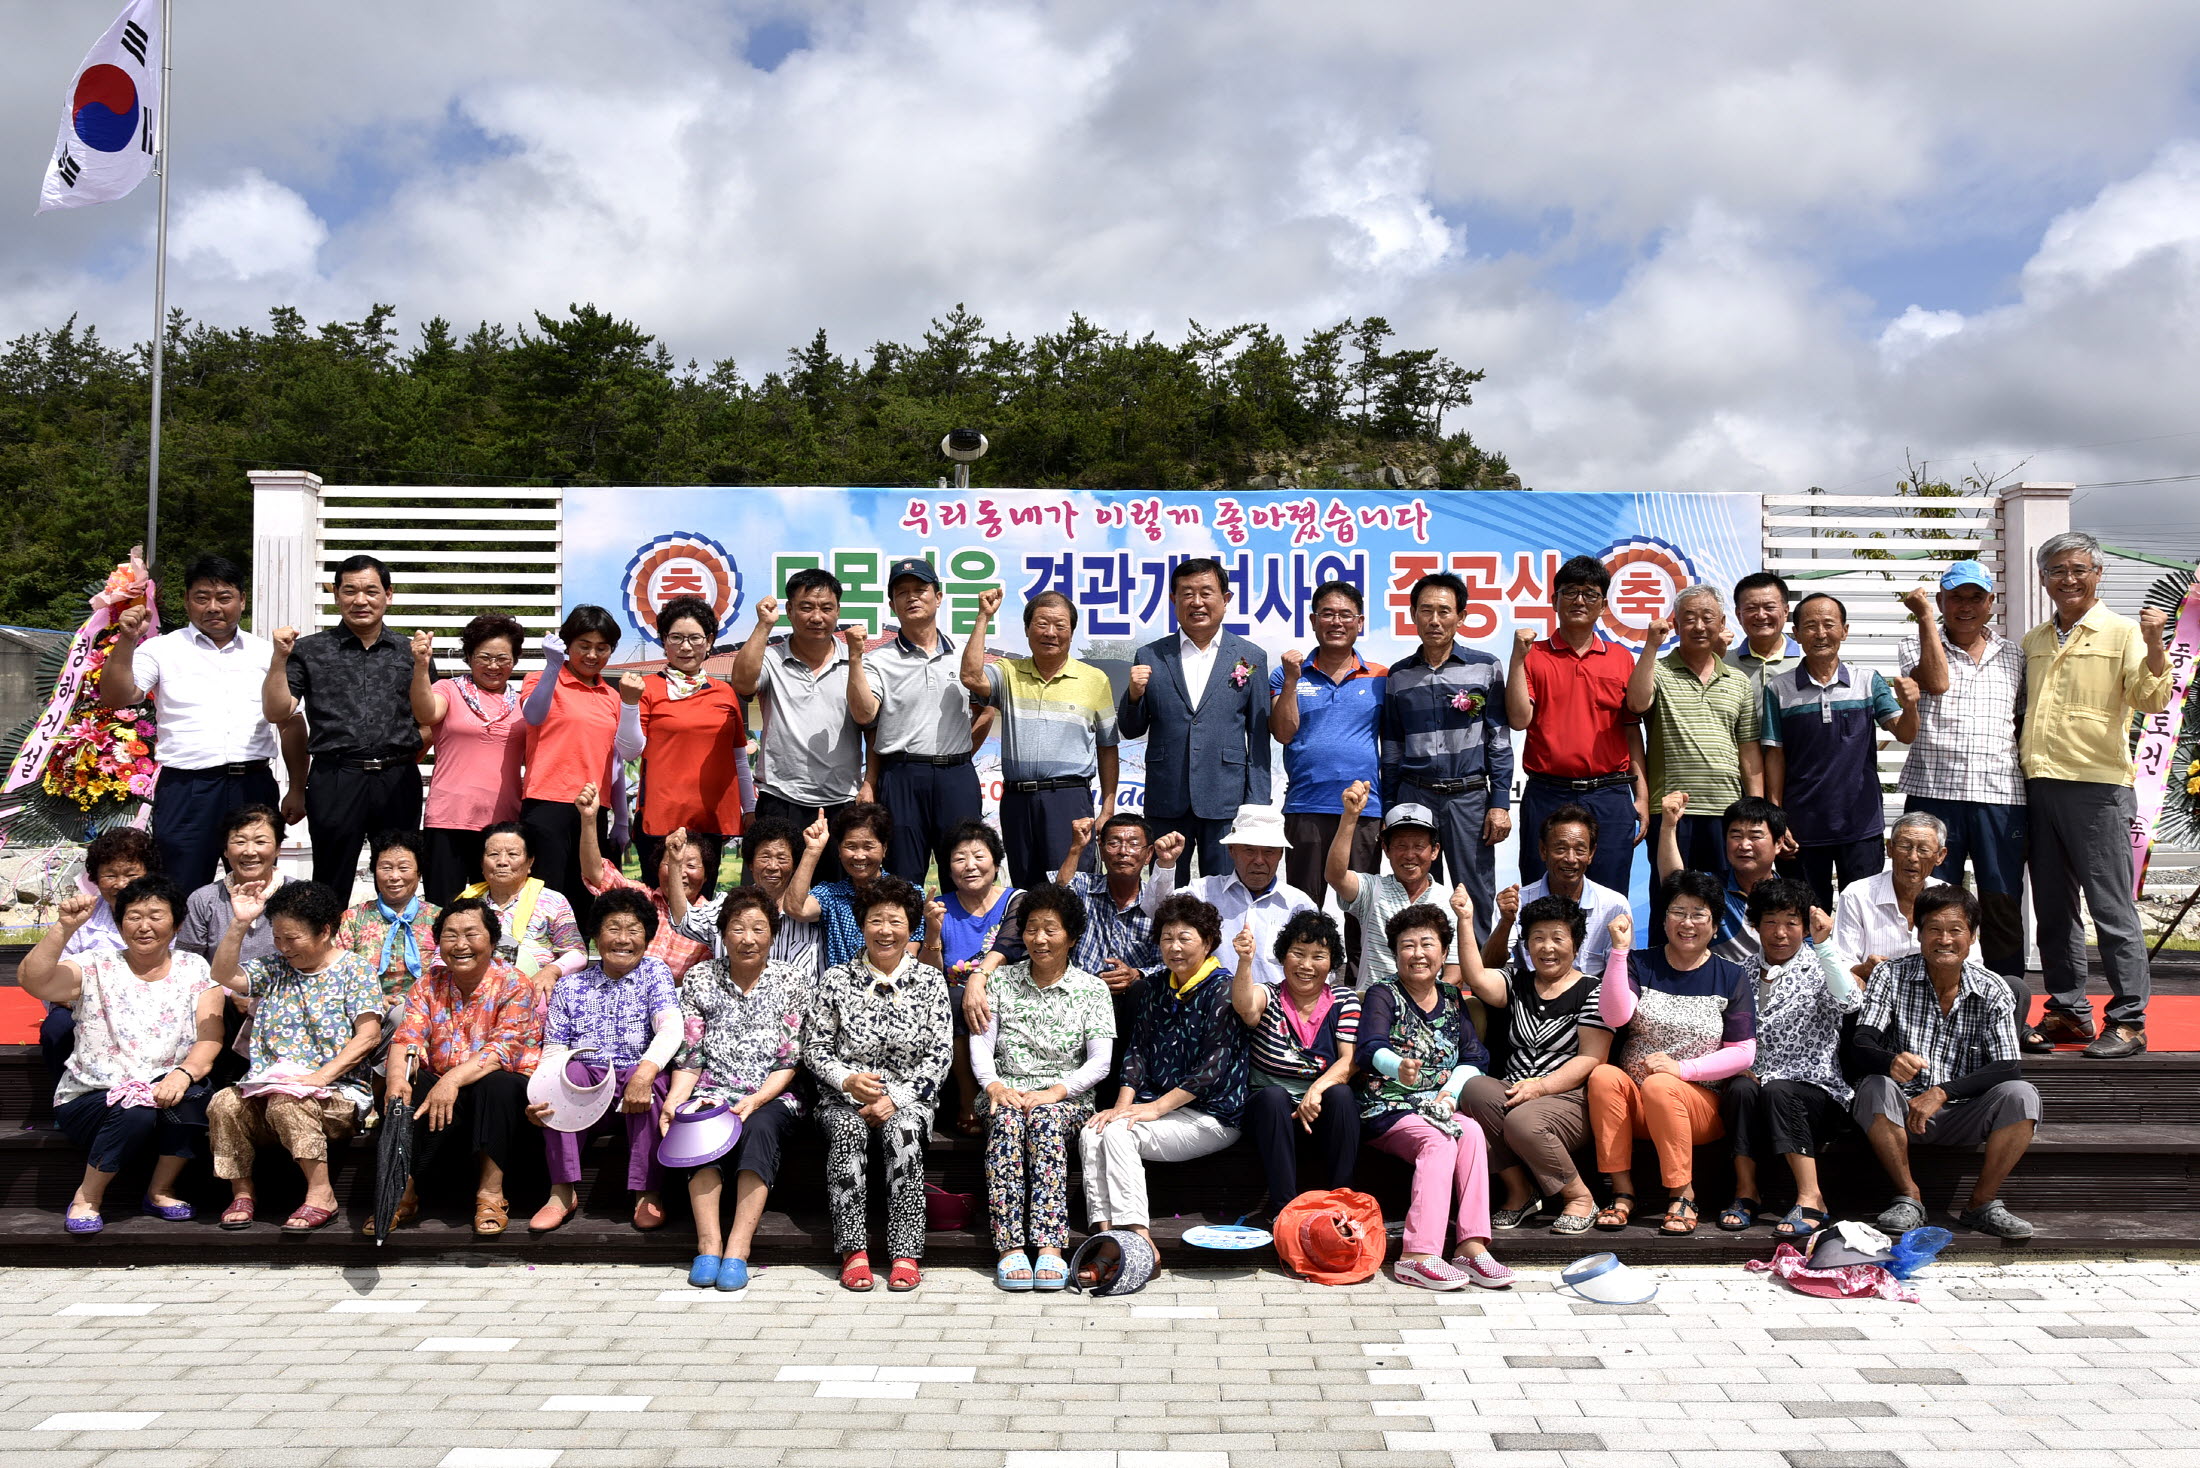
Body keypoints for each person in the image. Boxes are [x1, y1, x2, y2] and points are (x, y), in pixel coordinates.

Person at [2020, 530, 2175, 1059]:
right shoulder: (2035, 640)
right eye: (2057, 571)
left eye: (2078, 569)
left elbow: (2151, 698)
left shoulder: (2123, 632)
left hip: (2098, 786)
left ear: (2098, 574)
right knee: (2053, 910)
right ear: (2043, 580)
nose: (2068, 579)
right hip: (2039, 783)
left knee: (2111, 909)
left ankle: (2129, 1020)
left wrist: (2156, 643)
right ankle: (2067, 1012)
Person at [22, 878, 223, 1233]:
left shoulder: (195, 969)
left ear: (176, 924)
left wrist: (183, 1073)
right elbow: (34, 982)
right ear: (119, 924)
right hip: (91, 1097)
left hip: (165, 1089)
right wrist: (64, 928)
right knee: (135, 1109)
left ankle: (160, 1191)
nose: (144, 926)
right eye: (133, 916)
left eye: (156, 916)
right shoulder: (95, 964)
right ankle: (87, 1197)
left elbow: (209, 1039)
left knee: (197, 1098)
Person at [101, 553, 307, 895]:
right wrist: (126, 640)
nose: (213, 607)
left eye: (224, 598)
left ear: (242, 601)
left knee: (258, 890)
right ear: (186, 601)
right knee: (179, 888)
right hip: (186, 789)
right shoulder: (160, 649)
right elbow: (116, 696)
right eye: (202, 598)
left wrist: (297, 788)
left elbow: (290, 723)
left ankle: (254, 951)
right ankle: (181, 950)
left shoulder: (265, 653)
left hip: (252, 785)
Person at [1851, 884, 2041, 1238]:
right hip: (1900, 1111)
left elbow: (2007, 1065)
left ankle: (1981, 1205)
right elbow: (1861, 1043)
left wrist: (1942, 1092)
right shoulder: (1889, 975)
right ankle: (1909, 1197)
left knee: (2021, 1094)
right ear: (1918, 931)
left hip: (1962, 1111)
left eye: (1956, 930)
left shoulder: (1993, 988)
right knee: (1875, 1085)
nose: (1945, 940)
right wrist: (1890, 1060)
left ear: (1972, 936)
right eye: (1934, 929)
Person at [1081, 894, 1251, 1269]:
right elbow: (1136, 1052)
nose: (1174, 947)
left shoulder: (1221, 988)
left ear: (1207, 943)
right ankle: (1106, 1235)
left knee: (1118, 1133)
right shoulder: (1157, 987)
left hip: (1212, 1115)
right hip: (1158, 1110)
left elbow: (1212, 1068)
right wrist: (1123, 1107)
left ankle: (1138, 1238)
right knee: (1093, 1131)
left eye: (1184, 938)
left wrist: (1150, 1109)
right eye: (1166, 938)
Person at [206, 881, 383, 1233]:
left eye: (293, 939)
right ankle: (242, 1193)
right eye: (277, 938)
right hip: (268, 1090)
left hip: (335, 1093)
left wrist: (320, 1078)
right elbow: (222, 975)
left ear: (325, 931)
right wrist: (240, 923)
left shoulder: (355, 971)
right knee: (223, 1103)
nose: (283, 947)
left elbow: (369, 1035)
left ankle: (321, 1196)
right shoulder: (275, 967)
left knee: (288, 1101)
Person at [1587, 869, 1754, 1238]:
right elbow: (1615, 1015)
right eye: (1678, 911)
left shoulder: (1730, 975)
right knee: (1602, 1075)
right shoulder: (1640, 963)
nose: (1687, 922)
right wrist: (1619, 952)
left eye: (1699, 914)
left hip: (1698, 1106)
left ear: (1715, 924)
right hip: (1636, 1103)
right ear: (1663, 919)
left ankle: (1682, 1193)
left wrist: (1681, 1069)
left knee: (1661, 1084)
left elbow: (1743, 1053)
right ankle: (1622, 1191)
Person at [1354, 902, 1512, 1289]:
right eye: (1408, 945)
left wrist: (1449, 1095)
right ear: (1395, 953)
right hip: (1387, 1106)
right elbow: (1368, 1046)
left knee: (1471, 1132)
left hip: (1437, 1106)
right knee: (1440, 1142)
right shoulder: (1383, 994)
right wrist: (1397, 1066)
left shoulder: (1454, 997)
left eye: (1428, 944)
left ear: (1444, 953)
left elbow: (1475, 1057)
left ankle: (1472, 1247)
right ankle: (1417, 1254)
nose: (1418, 954)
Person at [1895, 566, 2030, 1022]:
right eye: (1957, 597)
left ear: (1992, 602)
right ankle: (1932, 1006)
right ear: (1942, 601)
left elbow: (2023, 719)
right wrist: (1926, 618)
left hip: (2000, 794)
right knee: (1933, 900)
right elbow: (1935, 681)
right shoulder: (1918, 640)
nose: (1967, 606)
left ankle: (2007, 1010)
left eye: (1977, 597)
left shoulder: (2014, 654)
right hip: (1935, 793)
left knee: (2001, 901)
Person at [805, 876, 952, 1293]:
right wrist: (848, 1080)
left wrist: (896, 1098)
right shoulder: (836, 980)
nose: (885, 931)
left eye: (896, 922)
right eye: (875, 921)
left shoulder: (929, 981)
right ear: (861, 925)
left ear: (911, 929)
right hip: (842, 1098)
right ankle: (854, 1251)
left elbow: (940, 1055)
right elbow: (815, 1047)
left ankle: (905, 1252)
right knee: (848, 1129)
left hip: (909, 1099)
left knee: (902, 1129)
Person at [662, 887, 813, 1291]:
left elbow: (789, 1059)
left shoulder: (791, 979)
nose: (748, 938)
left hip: (773, 1093)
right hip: (713, 1088)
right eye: (738, 928)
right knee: (694, 1124)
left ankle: (738, 1249)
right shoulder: (700, 978)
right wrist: (676, 1101)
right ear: (723, 933)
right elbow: (691, 1054)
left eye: (758, 929)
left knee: (760, 1127)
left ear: (773, 934)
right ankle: (708, 1245)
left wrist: (757, 1098)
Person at [971, 883, 1115, 1291]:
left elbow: (1100, 1061)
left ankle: (1051, 1247)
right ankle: (1009, 1248)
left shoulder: (1091, 989)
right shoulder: (1001, 982)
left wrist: (1055, 1092)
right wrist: (994, 1086)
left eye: (1050, 929)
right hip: (1005, 1090)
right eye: (1032, 928)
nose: (1039, 939)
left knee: (1046, 1121)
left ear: (1071, 936)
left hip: (1064, 1097)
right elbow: (981, 1045)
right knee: (1008, 1121)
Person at [1454, 894, 1617, 1236]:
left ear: (1576, 943)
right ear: (1526, 945)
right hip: (1514, 1091)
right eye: (1538, 938)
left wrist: (1540, 1087)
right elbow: (1477, 977)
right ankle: (1520, 1192)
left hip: (1569, 1099)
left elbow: (1592, 1057)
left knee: (1524, 1119)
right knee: (1474, 1089)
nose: (1547, 947)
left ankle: (1580, 1197)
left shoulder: (1594, 990)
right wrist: (1466, 920)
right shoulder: (1517, 981)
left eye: (1558, 938)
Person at [261, 554, 422, 898]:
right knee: (331, 877)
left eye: (371, 591)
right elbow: (279, 711)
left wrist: (405, 756)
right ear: (336, 594)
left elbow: (430, 719)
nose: (360, 600)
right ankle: (328, 947)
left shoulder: (410, 651)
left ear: (388, 595)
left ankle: (393, 946)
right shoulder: (308, 651)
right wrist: (279, 657)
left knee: (399, 874)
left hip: (397, 779)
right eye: (349, 591)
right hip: (335, 778)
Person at [379, 899, 541, 1237]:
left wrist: (451, 1079)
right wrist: (396, 1081)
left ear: (492, 941)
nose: (461, 945)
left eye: (471, 934)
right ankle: (400, 1193)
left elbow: (501, 1051)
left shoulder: (515, 983)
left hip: (497, 1091)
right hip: (445, 1091)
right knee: (409, 1084)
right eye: (450, 936)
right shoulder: (428, 984)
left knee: (496, 1084)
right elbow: (406, 1038)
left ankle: (490, 1195)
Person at [526, 889, 683, 1233]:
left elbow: (671, 1027)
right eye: (613, 928)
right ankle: (561, 1192)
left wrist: (646, 1070)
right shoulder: (571, 986)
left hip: (633, 1078)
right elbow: (553, 1050)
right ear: (596, 935)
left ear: (647, 936)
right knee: (565, 1072)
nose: (623, 939)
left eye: (634, 929)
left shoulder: (654, 972)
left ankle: (647, 1193)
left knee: (656, 1081)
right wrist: (537, 1095)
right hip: (585, 1085)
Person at [1760, 592, 1919, 910]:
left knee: (1864, 917)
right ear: (1796, 634)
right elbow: (1775, 757)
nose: (1820, 634)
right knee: (1805, 920)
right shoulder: (1778, 689)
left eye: (1829, 624)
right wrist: (1777, 820)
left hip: (1860, 826)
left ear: (1845, 630)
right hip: (1801, 828)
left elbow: (1905, 732)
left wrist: (1911, 705)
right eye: (1810, 626)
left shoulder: (1868, 682)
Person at [1119, 558, 1273, 883]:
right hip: (1167, 797)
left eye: (1206, 592)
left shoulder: (1250, 658)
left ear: (1226, 599)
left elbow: (1259, 737)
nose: (1197, 602)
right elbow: (1132, 729)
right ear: (1174, 600)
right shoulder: (1150, 656)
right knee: (1166, 887)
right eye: (1187, 593)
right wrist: (1133, 695)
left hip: (1226, 798)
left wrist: (1256, 805)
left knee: (1227, 891)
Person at [1718, 877, 1855, 1240]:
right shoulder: (1740, 971)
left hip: (1815, 1091)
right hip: (1757, 1087)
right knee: (1739, 1090)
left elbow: (1851, 1002)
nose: (1781, 932)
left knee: (1779, 1090)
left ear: (1805, 927)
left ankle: (1812, 1199)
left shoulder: (1822, 963)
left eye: (1792, 922)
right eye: (1771, 921)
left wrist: (1825, 945)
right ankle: (1746, 1193)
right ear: (1756, 924)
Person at [1380, 573, 1513, 941]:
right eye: (1426, 611)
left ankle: (1483, 982)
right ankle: (1427, 984)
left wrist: (1499, 802)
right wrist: (1390, 806)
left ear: (1461, 616)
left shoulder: (1485, 666)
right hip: (1414, 796)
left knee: (1476, 893)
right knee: (1419, 894)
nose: (1434, 620)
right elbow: (1391, 746)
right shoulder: (1399, 675)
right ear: (1412, 615)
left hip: (1469, 797)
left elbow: (1498, 739)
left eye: (1444, 611)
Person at [1506, 555, 1646, 896]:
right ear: (1554, 601)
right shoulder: (1534, 655)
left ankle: (1612, 954)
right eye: (1569, 591)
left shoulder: (1621, 658)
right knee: (1542, 894)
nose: (1579, 600)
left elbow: (1631, 731)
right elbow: (1519, 719)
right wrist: (1516, 658)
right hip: (1548, 793)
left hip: (1610, 794)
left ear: (1604, 605)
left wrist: (1640, 795)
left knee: (1610, 894)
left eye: (1590, 593)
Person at [961, 587, 1120, 887]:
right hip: (1017, 800)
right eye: (1042, 624)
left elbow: (1108, 747)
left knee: (1072, 888)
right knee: (1025, 889)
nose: (1051, 633)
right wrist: (983, 617)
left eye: (1060, 626)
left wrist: (1107, 808)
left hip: (1069, 798)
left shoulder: (1095, 680)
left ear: (1071, 632)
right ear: (1027, 629)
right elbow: (971, 677)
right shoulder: (1009, 672)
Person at [850, 560, 990, 882]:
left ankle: (958, 935)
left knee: (964, 872)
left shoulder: (962, 656)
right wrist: (855, 658)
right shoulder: (877, 660)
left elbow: (986, 709)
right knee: (902, 875)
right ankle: (908, 934)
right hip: (901, 776)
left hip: (957, 776)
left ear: (938, 597)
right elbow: (864, 715)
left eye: (920, 590)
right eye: (902, 593)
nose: (912, 598)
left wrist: (963, 752)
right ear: (892, 604)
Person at [1271, 581, 1387, 955]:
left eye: (1345, 615)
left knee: (1359, 907)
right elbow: (1284, 733)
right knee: (1304, 910)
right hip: (1306, 805)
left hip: (1364, 811)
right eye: (1327, 614)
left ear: (1360, 622)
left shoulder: (1382, 676)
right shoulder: (1286, 674)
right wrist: (1291, 681)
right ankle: (1301, 993)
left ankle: (1359, 988)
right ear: (1313, 620)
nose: (1336, 622)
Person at [733, 570, 864, 885]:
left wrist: (869, 781)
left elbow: (870, 721)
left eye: (826, 608)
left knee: (835, 898)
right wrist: (764, 625)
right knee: (768, 895)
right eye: (806, 607)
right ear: (789, 611)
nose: (817, 617)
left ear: (838, 611)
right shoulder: (772, 658)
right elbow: (742, 682)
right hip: (780, 796)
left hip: (840, 801)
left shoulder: (856, 660)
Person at [517, 605, 643, 930]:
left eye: (602, 648)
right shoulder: (540, 680)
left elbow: (628, 752)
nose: (592, 654)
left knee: (586, 895)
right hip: (546, 804)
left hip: (591, 811)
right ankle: (542, 970)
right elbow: (532, 715)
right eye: (584, 645)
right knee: (546, 895)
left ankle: (580, 970)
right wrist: (551, 668)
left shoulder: (612, 696)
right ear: (567, 645)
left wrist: (629, 703)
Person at [1627, 587, 1763, 879]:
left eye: (1707, 617)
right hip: (1673, 811)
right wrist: (1650, 646)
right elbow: (1636, 703)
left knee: (1726, 901)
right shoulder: (1658, 671)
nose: (1699, 626)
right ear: (1675, 625)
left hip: (1728, 812)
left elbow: (1749, 752)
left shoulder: (1737, 681)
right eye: (1689, 618)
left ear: (1722, 623)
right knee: (1672, 898)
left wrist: (1756, 812)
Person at [1231, 912, 1359, 1219]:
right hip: (1268, 1113)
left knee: (1342, 1096)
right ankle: (1284, 1210)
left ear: (1331, 962)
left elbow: (1350, 1060)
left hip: (1320, 1109)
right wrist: (1245, 962)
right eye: (1298, 954)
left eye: (1319, 956)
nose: (1306, 965)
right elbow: (1246, 1008)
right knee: (1273, 1097)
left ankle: (1342, 1202)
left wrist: (1316, 1090)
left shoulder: (1344, 999)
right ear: (1283, 956)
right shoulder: (1269, 994)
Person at [410, 613, 529, 905]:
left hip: (502, 827)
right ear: (468, 656)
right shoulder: (449, 690)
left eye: (503, 658)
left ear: (515, 660)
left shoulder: (524, 702)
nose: (493, 666)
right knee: (444, 907)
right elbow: (426, 713)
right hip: (448, 819)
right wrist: (421, 667)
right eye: (484, 657)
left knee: (497, 910)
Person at [632, 596, 747, 890]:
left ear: (709, 641)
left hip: (710, 820)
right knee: (656, 904)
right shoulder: (647, 689)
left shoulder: (724, 692)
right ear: (664, 641)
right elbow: (629, 749)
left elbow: (739, 758)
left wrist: (749, 809)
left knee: (701, 905)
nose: (685, 647)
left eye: (695, 638)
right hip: (659, 819)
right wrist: (629, 705)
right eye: (676, 638)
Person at [917, 820, 1018, 1134]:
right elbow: (931, 975)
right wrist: (933, 931)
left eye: (979, 856)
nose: (970, 866)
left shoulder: (1017, 900)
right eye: (960, 858)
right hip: (956, 1004)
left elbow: (1010, 944)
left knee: (964, 995)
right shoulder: (939, 908)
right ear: (948, 868)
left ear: (996, 862)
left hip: (1008, 995)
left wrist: (979, 978)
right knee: (954, 997)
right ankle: (967, 1097)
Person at [1142, 804, 1313, 988]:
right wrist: (1166, 865)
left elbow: (1319, 965)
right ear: (1232, 850)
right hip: (1210, 1008)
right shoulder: (1204, 891)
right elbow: (1157, 912)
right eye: (1249, 850)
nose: (1259, 860)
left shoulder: (1298, 904)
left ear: (1280, 854)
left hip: (1277, 1010)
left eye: (1269, 851)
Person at [37, 827, 157, 1085]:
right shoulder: (82, 916)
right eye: (110, 875)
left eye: (131, 874)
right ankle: (68, 1100)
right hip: (85, 1006)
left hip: (152, 1005)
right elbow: (55, 971)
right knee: (56, 1029)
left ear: (148, 874)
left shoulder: (165, 913)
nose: (121, 883)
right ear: (95, 878)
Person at [575, 784, 711, 979]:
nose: (680, 873)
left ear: (706, 875)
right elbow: (595, 873)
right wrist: (588, 820)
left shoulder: (711, 918)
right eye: (671, 863)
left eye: (690, 866)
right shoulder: (638, 897)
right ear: (657, 868)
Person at [1481, 805, 1630, 977]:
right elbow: (1488, 967)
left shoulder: (1614, 906)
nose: (1571, 859)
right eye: (1561, 849)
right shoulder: (1517, 901)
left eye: (1580, 850)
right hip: (1531, 999)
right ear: (1543, 851)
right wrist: (1506, 922)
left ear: (1591, 854)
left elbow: (1624, 976)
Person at [1329, 785, 1448, 990]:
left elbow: (1454, 972)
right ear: (1386, 849)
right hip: (1373, 1007)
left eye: (1419, 846)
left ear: (1434, 851)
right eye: (1401, 846)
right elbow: (1336, 876)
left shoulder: (1449, 899)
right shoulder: (1371, 889)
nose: (1410, 855)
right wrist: (1350, 817)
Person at [670, 817, 820, 973]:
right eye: (765, 857)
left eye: (782, 858)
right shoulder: (727, 905)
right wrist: (675, 862)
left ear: (794, 865)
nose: (773, 866)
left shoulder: (814, 909)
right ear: (750, 863)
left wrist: (813, 851)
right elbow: (684, 920)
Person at [1655, 793, 1785, 966]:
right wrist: (1669, 827)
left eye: (1755, 836)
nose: (1744, 845)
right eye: (1736, 836)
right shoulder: (1711, 887)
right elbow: (1674, 884)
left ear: (1778, 843)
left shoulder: (1791, 898)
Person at [456, 822, 588, 991]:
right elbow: (444, 951)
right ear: (482, 863)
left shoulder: (552, 901)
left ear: (530, 862)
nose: (502, 862)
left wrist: (551, 971)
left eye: (513, 854)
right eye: (493, 854)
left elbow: (577, 953)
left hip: (536, 991)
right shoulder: (466, 904)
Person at [1833, 811, 1949, 984]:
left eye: (1923, 850)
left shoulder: (1951, 899)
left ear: (1940, 856)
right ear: (1889, 848)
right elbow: (1841, 966)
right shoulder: (1857, 895)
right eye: (1904, 846)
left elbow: (1972, 964)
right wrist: (1865, 968)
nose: (1912, 858)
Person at [783, 802, 898, 971]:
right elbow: (795, 908)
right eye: (850, 847)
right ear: (839, 850)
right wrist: (813, 850)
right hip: (839, 992)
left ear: (884, 849)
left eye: (868, 847)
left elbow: (909, 953)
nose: (859, 856)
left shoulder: (906, 896)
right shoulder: (830, 894)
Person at [174, 805, 289, 963]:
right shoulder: (203, 900)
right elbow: (188, 963)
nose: (249, 851)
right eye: (240, 842)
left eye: (260, 842)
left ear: (277, 848)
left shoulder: (300, 895)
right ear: (225, 850)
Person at [335, 830, 440, 1001]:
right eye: (386, 868)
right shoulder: (353, 919)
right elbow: (338, 972)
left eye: (404, 868)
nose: (394, 876)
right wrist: (374, 1000)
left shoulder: (439, 918)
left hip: (426, 1009)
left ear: (419, 873)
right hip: (366, 1007)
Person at [1726, 572, 1802, 690]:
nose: (1761, 615)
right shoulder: (1724, 664)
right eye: (1751, 608)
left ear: (1786, 611)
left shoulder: (1805, 661)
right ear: (1738, 614)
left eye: (1769, 607)